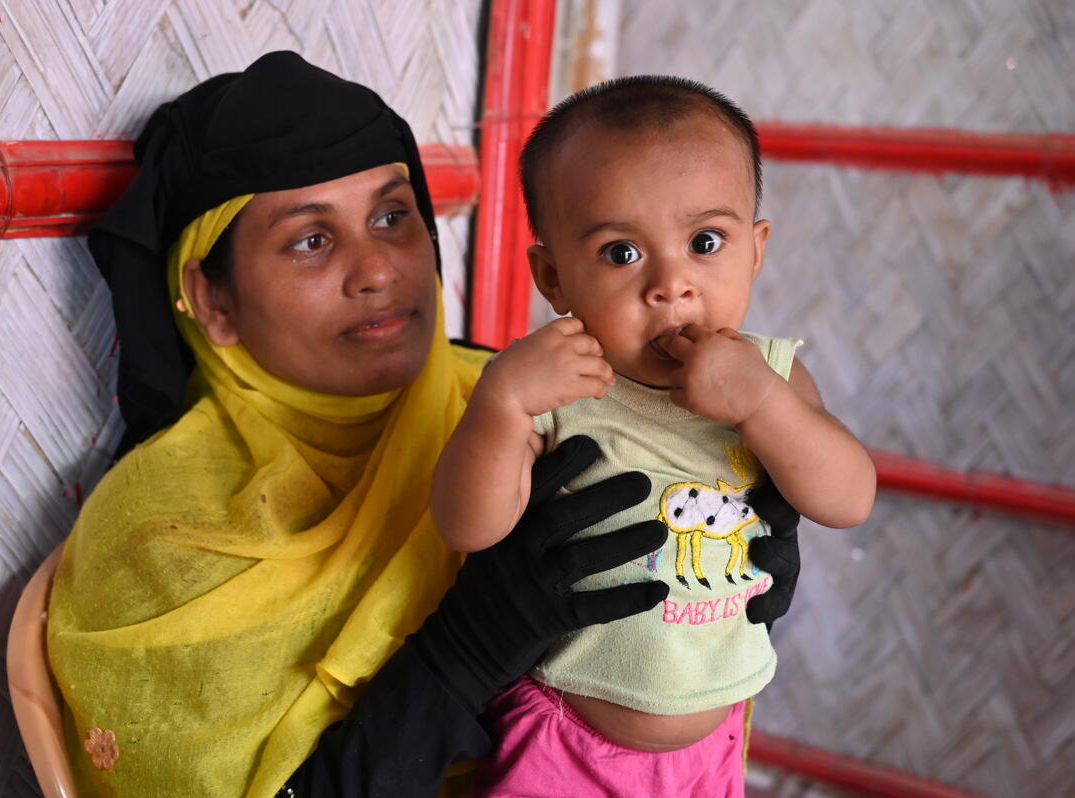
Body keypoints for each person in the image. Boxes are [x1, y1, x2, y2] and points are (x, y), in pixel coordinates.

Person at [45, 53, 802, 798]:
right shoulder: (164, 542)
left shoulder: (525, 399)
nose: (378, 270)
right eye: (311, 239)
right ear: (211, 298)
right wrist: (465, 652)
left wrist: (750, 551)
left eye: (392, 217)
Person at [431, 76, 876, 796]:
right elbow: (468, 526)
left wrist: (763, 403)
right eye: (621, 254)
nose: (671, 284)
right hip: (566, 735)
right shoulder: (558, 384)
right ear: (553, 277)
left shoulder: (773, 374)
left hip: (716, 738)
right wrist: (500, 405)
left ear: (755, 250)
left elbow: (849, 498)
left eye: (706, 242)